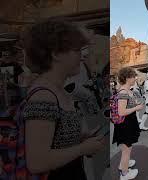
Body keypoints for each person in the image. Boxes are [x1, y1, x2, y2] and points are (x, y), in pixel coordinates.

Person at [22, 20, 106, 179]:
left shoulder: (56, 89)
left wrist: (80, 137)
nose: (81, 57)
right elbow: (37, 162)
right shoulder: (44, 97)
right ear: (56, 54)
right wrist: (82, 148)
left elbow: (56, 140)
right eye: (76, 50)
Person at [112, 67, 144, 179]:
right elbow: (121, 112)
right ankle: (124, 174)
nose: (135, 78)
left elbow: (132, 106)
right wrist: (136, 108)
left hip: (129, 123)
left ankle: (123, 165)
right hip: (125, 124)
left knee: (127, 149)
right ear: (127, 78)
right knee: (126, 149)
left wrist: (137, 106)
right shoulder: (124, 92)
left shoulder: (129, 91)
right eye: (133, 76)